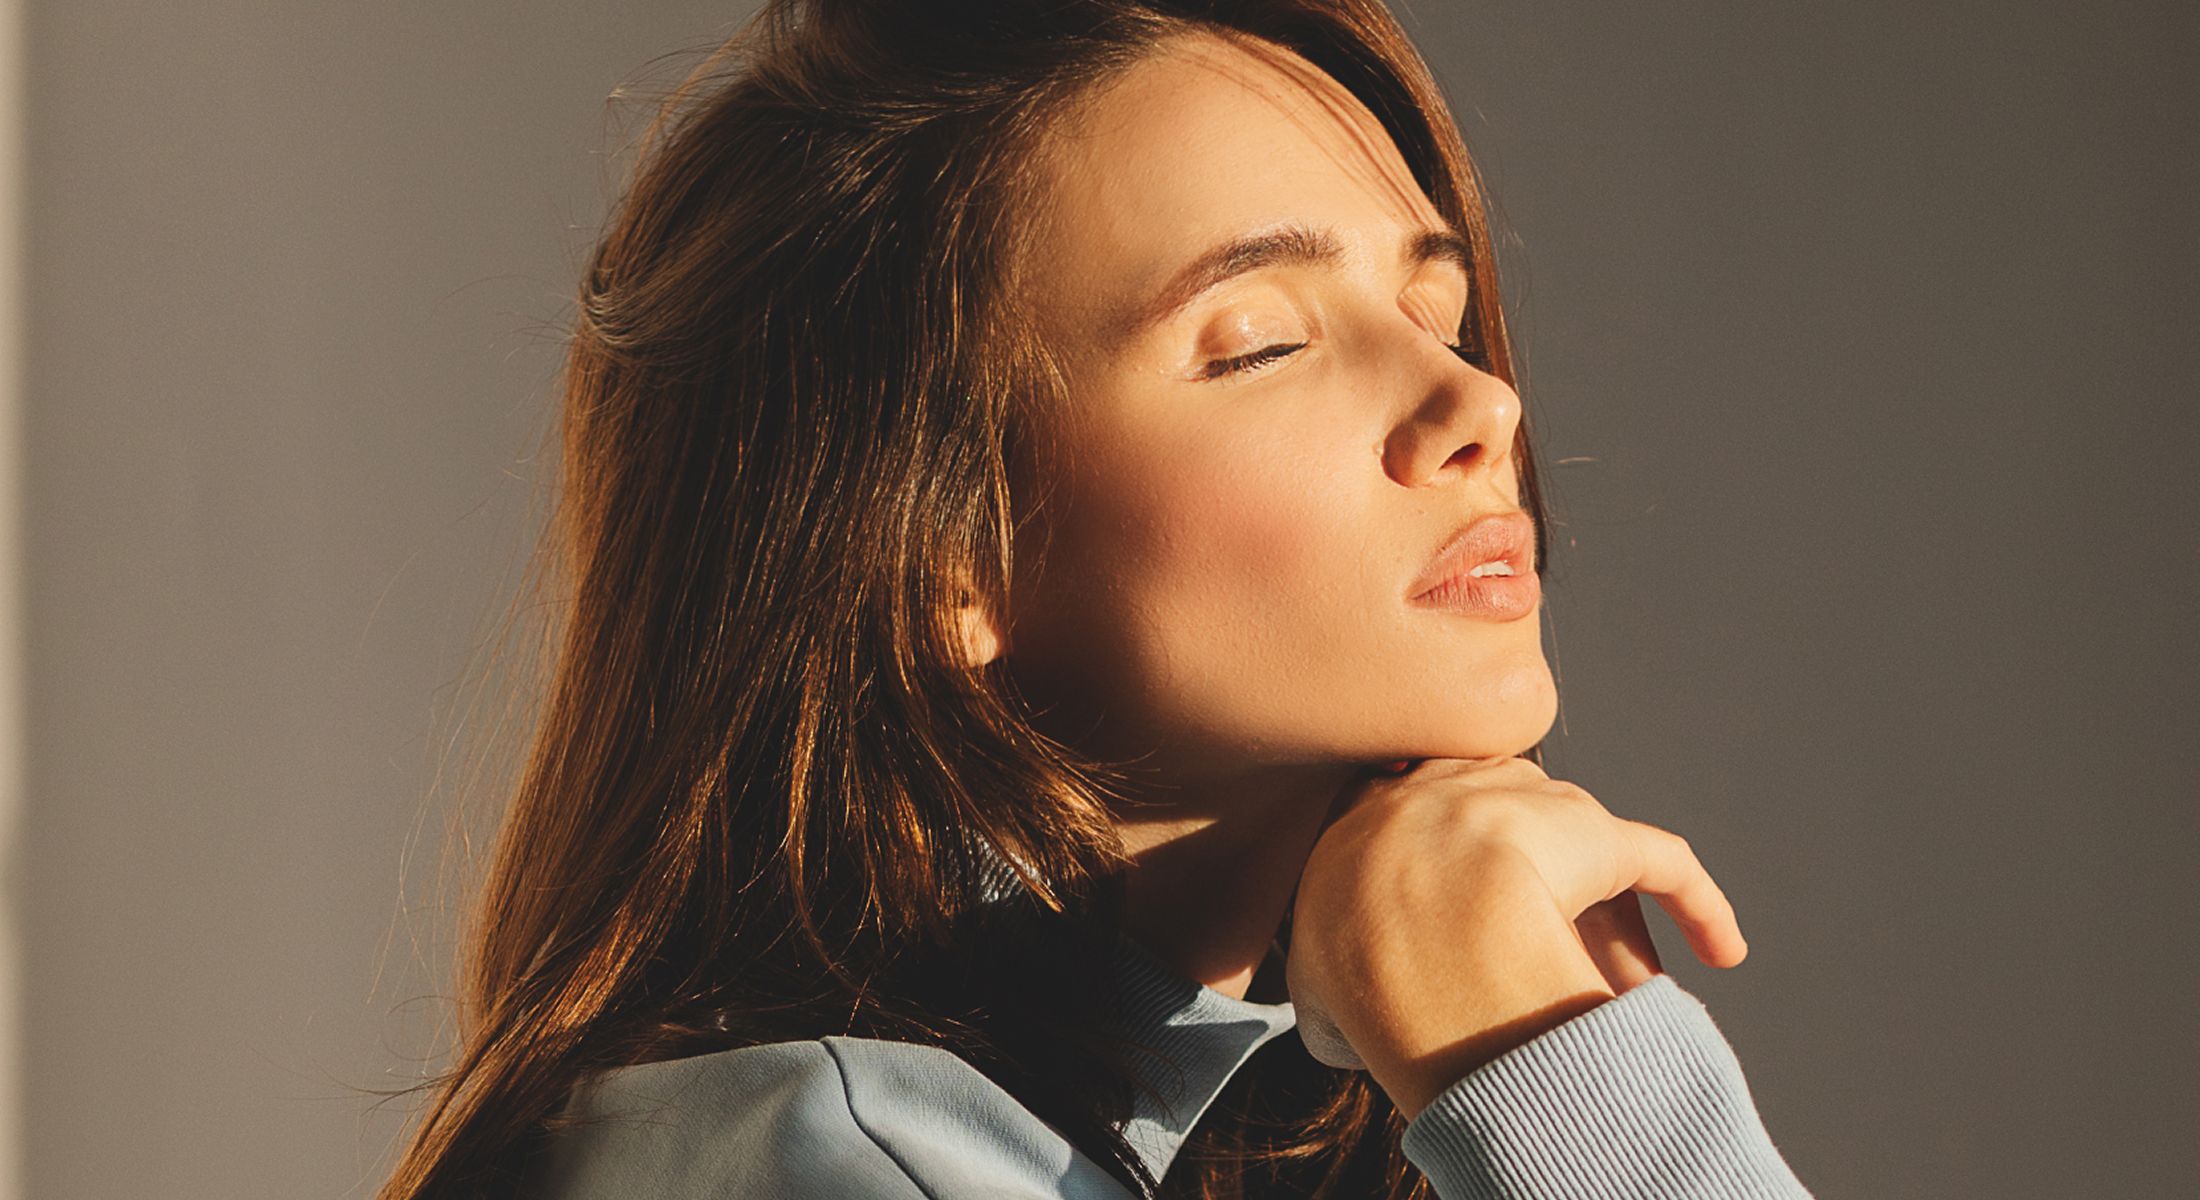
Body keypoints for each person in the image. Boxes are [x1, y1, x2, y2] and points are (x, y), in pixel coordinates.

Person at [376, 1, 1816, 1196]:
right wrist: (1551, 1076)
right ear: (933, 553)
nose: (1478, 401)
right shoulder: (840, 1168)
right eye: (1258, 342)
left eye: (1433, 311)